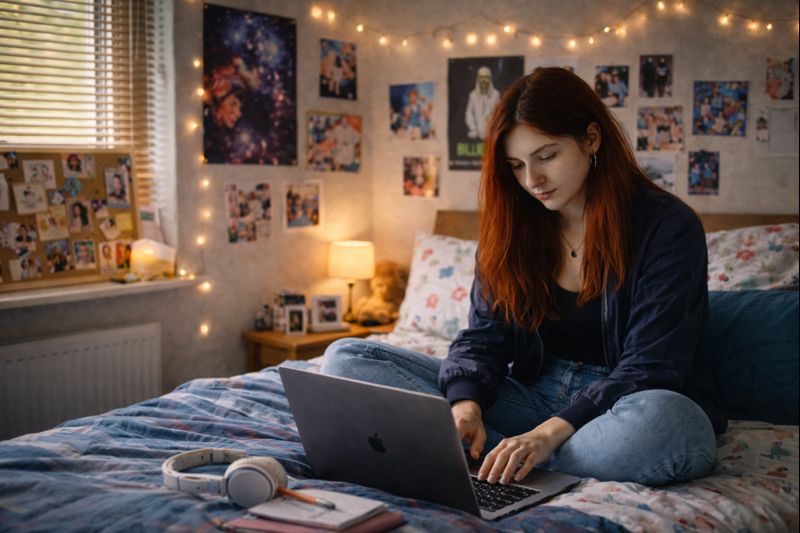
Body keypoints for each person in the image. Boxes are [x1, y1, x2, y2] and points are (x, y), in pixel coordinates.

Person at [320, 67, 724, 488]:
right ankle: (502, 453)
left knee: (671, 425)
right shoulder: (514, 227)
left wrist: (547, 435)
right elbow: (483, 339)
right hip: (534, 396)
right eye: (516, 165)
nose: (533, 181)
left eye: (547, 156)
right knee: (348, 358)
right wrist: (465, 408)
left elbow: (651, 367)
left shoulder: (668, 227)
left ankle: (500, 456)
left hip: (626, 407)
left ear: (591, 138)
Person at [465, 66, 500, 140]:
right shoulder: (473, 95)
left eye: (486, 77)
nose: (484, 80)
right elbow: (469, 113)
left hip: (491, 134)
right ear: (478, 79)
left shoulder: (496, 94)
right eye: (481, 77)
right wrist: (473, 128)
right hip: (476, 134)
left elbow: (499, 114)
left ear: (490, 79)